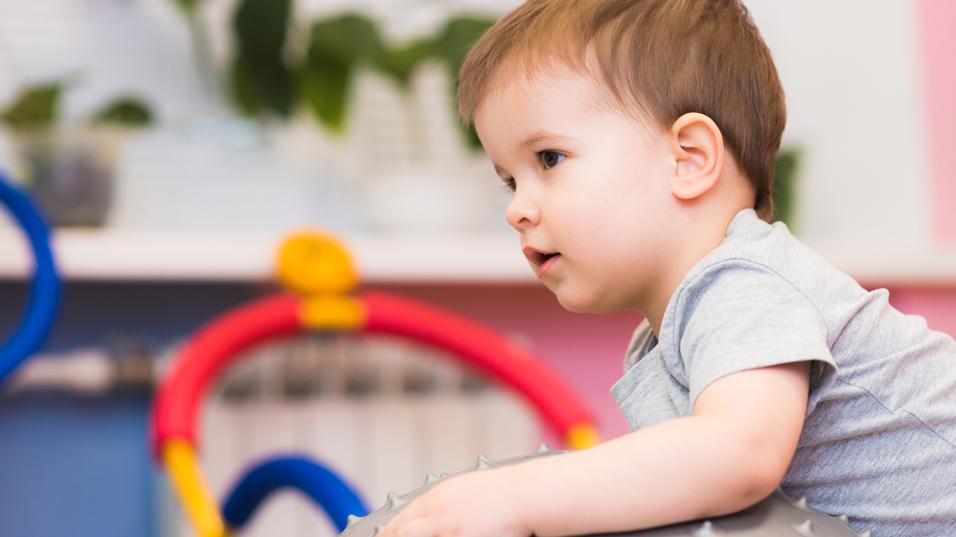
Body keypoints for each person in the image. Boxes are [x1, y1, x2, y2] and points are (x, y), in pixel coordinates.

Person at [379, 1, 956, 535]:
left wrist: (509, 496)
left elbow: (739, 456)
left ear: (689, 159)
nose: (516, 209)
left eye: (549, 159)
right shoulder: (672, 329)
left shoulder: (744, 285)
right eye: (509, 179)